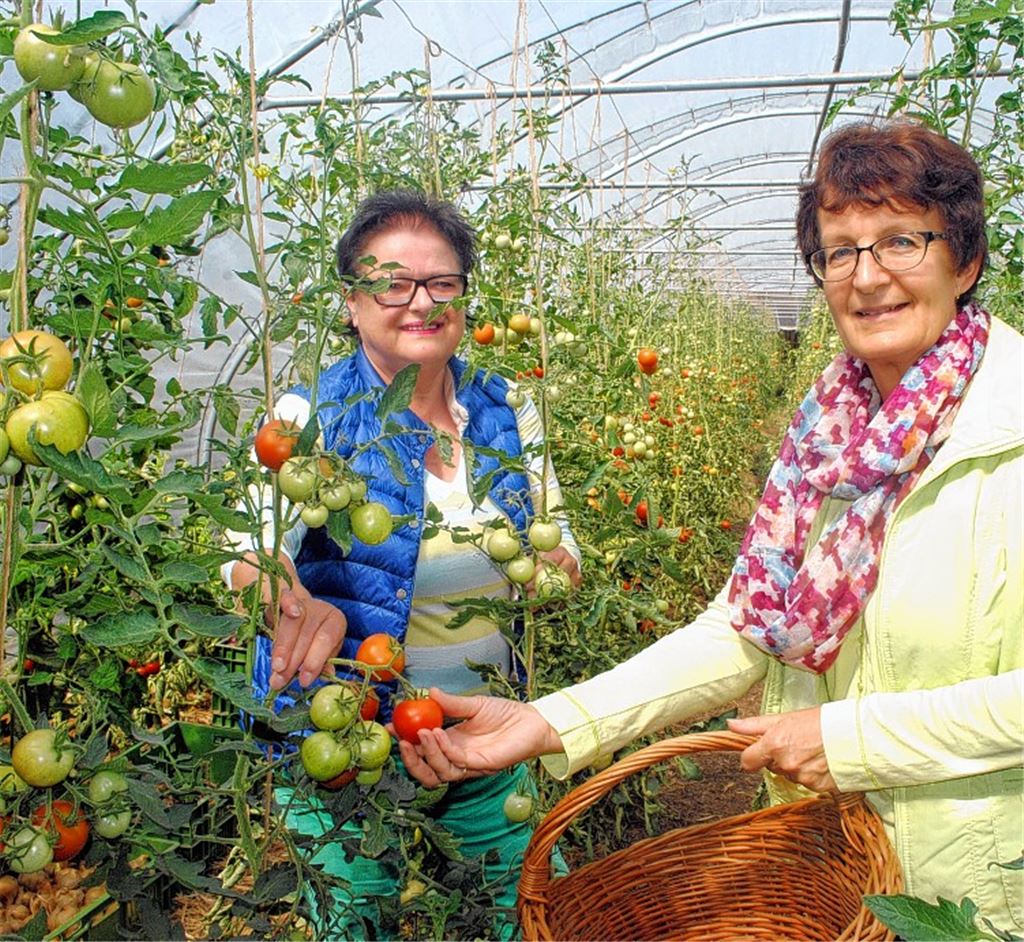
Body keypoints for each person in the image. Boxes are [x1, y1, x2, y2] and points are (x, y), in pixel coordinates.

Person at [398, 120, 1024, 931]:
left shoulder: (1007, 432)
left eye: (902, 241)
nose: (867, 278)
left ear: (965, 259)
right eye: (840, 251)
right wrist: (551, 721)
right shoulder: (827, 441)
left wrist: (851, 738)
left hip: (979, 895)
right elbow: (747, 629)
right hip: (828, 871)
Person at [225, 190, 581, 933]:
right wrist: (291, 600)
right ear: (352, 301)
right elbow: (250, 552)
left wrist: (546, 572)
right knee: (355, 921)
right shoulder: (309, 416)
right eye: (392, 282)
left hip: (480, 736)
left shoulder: (508, 407)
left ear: (461, 294)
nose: (420, 301)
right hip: (346, 741)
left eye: (441, 282)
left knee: (525, 912)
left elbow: (558, 541)